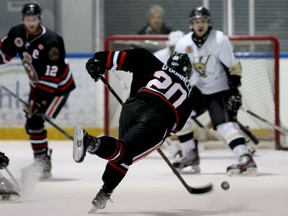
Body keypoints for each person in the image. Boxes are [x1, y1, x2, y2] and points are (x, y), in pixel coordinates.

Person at [73, 48, 193, 211]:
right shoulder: (189, 94)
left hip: (131, 108)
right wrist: (155, 136)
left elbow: (133, 56)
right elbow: (174, 128)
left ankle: (105, 192)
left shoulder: (155, 63)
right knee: (125, 153)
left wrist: (100, 61)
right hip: (156, 120)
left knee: (122, 154)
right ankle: (91, 142)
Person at [173, 6, 257, 176]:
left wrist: (234, 90)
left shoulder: (219, 39)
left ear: (208, 22)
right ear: (191, 24)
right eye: (196, 21)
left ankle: (245, 157)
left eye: (203, 20)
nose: (200, 24)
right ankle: (190, 154)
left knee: (224, 125)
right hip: (195, 89)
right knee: (179, 115)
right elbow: (178, 71)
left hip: (218, 89)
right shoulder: (183, 43)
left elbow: (233, 66)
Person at [0, 2, 76, 179]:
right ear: (23, 19)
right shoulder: (17, 34)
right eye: (28, 18)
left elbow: (52, 78)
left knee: (35, 120)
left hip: (59, 88)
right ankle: (42, 161)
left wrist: (39, 103)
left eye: (34, 18)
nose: (31, 22)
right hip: (37, 86)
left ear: (40, 19)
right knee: (32, 122)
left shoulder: (52, 41)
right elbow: (3, 53)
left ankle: (43, 163)